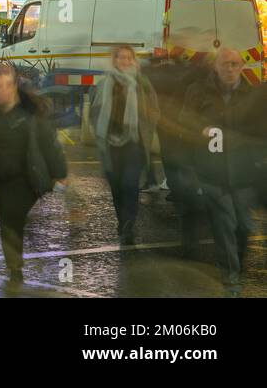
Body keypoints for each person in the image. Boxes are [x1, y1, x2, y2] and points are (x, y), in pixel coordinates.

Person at [0, 63, 67, 284]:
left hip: (26, 176)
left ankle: (16, 263)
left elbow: (49, 142)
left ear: (12, 88)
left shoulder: (29, 111)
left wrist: (60, 171)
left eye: (1, 87)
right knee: (7, 221)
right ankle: (14, 268)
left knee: (12, 218)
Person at [179, 47, 267, 296]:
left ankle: (235, 267)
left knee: (244, 226)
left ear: (242, 67)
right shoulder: (197, 92)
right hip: (212, 172)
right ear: (215, 67)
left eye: (235, 64)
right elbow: (185, 121)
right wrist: (199, 131)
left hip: (243, 173)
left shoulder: (252, 94)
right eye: (226, 64)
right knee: (224, 224)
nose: (230, 69)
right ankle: (231, 276)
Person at [147, 29, 213, 257]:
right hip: (174, 133)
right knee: (180, 173)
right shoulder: (167, 73)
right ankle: (189, 208)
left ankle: (188, 210)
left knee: (179, 172)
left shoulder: (167, 71)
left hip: (178, 134)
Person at [91, 44, 159, 246]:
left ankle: (128, 226)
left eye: (129, 58)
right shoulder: (105, 83)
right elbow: (94, 110)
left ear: (134, 61)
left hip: (134, 142)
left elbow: (154, 107)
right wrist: (99, 131)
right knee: (117, 187)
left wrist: (147, 124)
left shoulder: (141, 83)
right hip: (111, 144)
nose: (126, 61)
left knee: (130, 184)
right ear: (115, 60)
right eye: (121, 58)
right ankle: (123, 222)